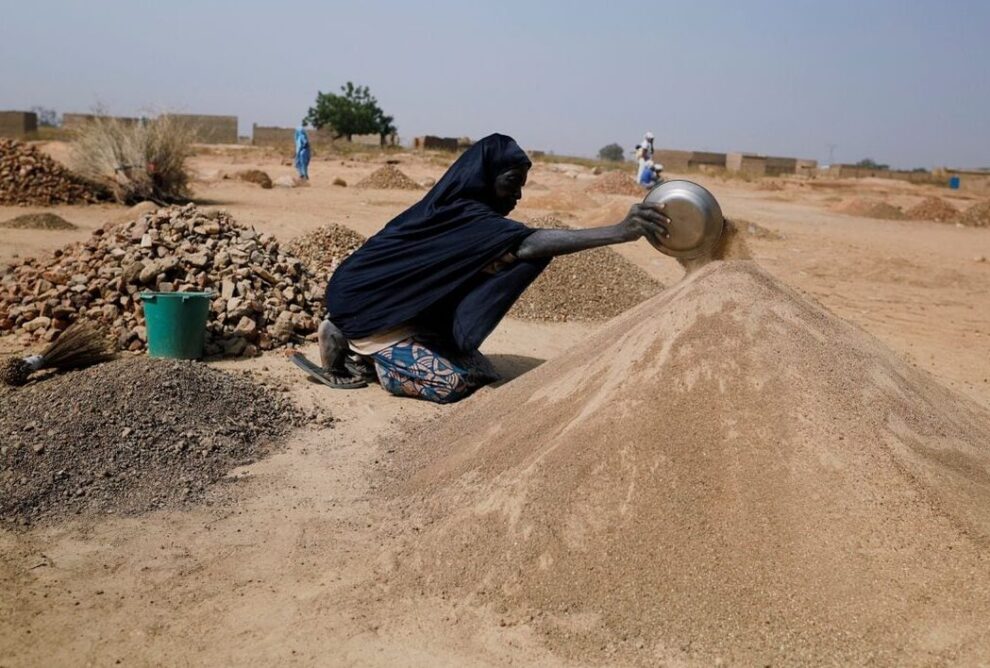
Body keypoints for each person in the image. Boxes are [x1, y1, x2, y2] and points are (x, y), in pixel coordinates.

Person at [318, 133, 670, 403]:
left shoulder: (462, 212)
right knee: (451, 384)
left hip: (394, 310)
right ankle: (371, 359)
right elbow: (529, 243)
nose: (517, 196)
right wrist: (618, 232)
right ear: (486, 177)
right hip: (369, 314)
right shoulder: (463, 215)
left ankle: (364, 343)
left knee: (481, 370)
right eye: (512, 182)